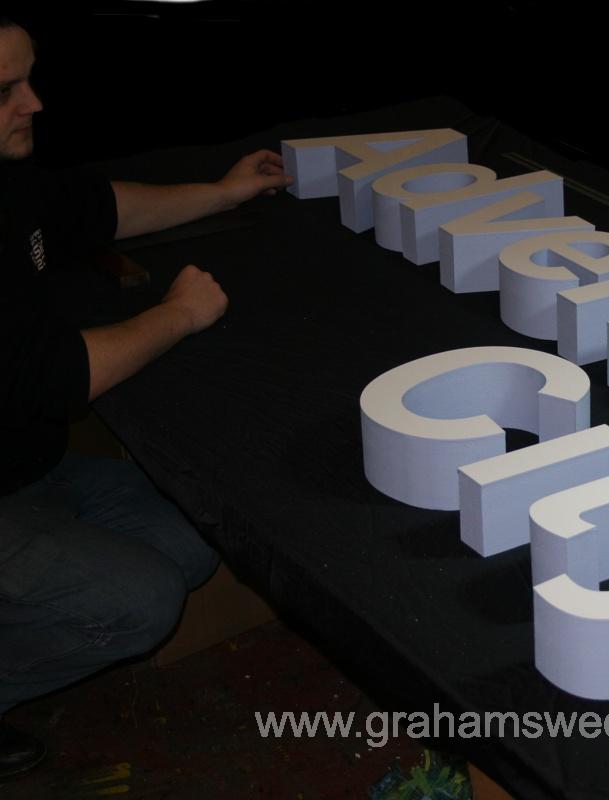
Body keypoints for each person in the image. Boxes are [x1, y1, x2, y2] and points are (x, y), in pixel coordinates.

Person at [0, 16, 293, 778]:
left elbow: (97, 206)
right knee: (139, 602)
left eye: (29, 78)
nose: (33, 102)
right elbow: (61, 375)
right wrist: (179, 313)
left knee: (196, 533)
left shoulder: (7, 170)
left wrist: (224, 192)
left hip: (29, 469)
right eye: (5, 90)